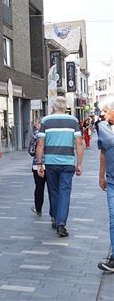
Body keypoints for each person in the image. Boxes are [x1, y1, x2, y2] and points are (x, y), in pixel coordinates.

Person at [36, 97, 83, 237]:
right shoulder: (73, 121)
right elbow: (79, 143)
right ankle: (61, 223)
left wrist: (39, 163)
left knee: (54, 191)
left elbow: (40, 144)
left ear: (53, 106)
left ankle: (56, 218)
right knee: (65, 192)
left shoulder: (46, 121)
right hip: (68, 162)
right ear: (65, 107)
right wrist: (79, 163)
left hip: (51, 162)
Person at [96, 96, 114, 273]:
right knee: (113, 218)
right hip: (111, 180)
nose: (103, 114)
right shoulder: (102, 127)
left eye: (106, 110)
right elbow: (103, 152)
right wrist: (101, 175)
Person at [28, 118, 45, 217]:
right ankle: (54, 213)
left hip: (37, 165)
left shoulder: (36, 135)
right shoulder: (50, 133)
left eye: (37, 124)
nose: (35, 126)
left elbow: (31, 150)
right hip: (51, 164)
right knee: (52, 189)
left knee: (39, 188)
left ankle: (38, 209)